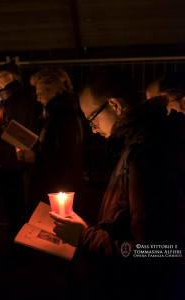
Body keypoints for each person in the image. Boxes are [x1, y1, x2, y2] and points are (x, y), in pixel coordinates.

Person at [50, 66, 185, 300]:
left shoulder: (147, 156)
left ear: (114, 105)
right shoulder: (138, 145)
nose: (92, 130)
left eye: (92, 118)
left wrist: (84, 237)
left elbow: (153, 252)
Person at [0, 62, 39, 264]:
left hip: (12, 166)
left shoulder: (14, 102)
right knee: (14, 211)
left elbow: (18, 134)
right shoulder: (9, 100)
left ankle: (20, 255)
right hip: (8, 164)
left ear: (10, 77)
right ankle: (19, 252)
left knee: (16, 212)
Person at [29, 67, 84, 213]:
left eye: (40, 93)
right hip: (54, 184)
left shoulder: (64, 117)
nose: (38, 98)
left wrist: (35, 158)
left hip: (58, 187)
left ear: (53, 91)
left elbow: (66, 157)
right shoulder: (55, 114)